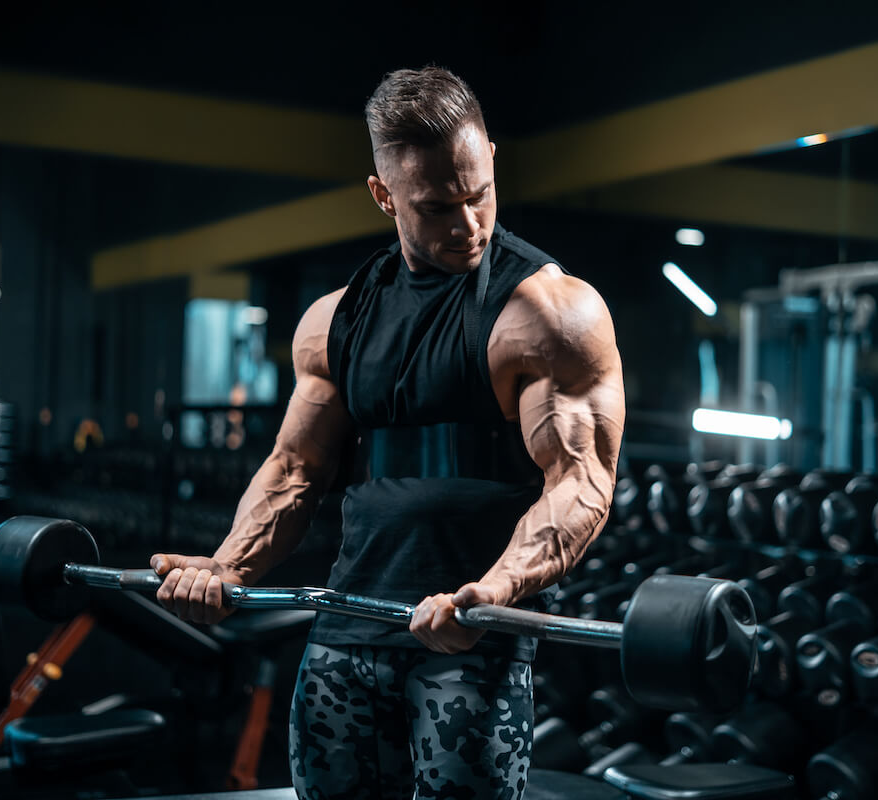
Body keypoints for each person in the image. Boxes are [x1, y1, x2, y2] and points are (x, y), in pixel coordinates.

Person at [150, 65, 625, 800]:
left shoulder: (549, 315)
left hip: (471, 646)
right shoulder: (335, 321)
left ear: (492, 157)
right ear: (383, 196)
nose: (468, 225)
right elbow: (294, 471)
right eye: (437, 207)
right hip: (346, 629)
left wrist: (493, 591)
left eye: (479, 195)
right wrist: (227, 568)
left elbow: (583, 479)